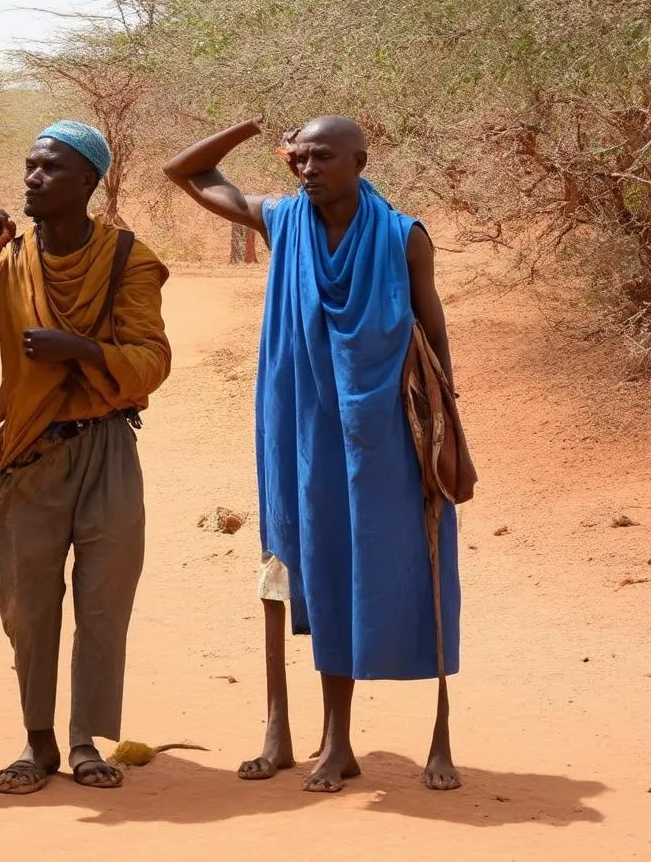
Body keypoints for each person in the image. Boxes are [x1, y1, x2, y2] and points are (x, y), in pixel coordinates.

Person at [163, 116, 463, 793]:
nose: (306, 170)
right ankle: (325, 738)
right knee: (309, 563)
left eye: (322, 157)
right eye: (297, 158)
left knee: (415, 560)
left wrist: (450, 431)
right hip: (298, 425)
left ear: (360, 160)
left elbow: (436, 333)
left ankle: (439, 736)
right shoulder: (281, 221)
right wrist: (246, 129)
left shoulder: (404, 237)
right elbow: (183, 172)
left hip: (385, 430)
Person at [0, 120, 171, 795]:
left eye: (49, 168)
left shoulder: (128, 261)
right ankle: (38, 741)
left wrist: (81, 351)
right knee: (29, 607)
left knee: (103, 601)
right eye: (29, 166)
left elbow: (151, 362)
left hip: (107, 447)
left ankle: (85, 741)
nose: (32, 179)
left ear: (88, 180)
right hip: (30, 456)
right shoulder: (2, 265)